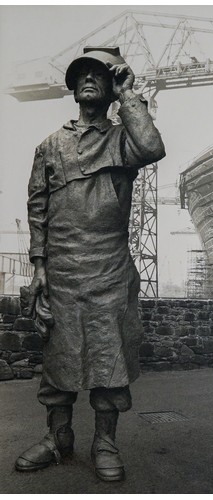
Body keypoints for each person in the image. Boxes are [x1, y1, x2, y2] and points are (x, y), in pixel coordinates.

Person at [15, 46, 166, 482]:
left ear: (111, 83)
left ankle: (105, 442)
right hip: (61, 271)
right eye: (81, 73)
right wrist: (40, 267)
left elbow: (153, 147)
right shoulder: (50, 146)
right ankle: (58, 438)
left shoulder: (124, 138)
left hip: (109, 269)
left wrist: (128, 96)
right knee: (58, 361)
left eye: (98, 74)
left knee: (109, 358)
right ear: (71, 85)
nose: (88, 79)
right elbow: (37, 209)